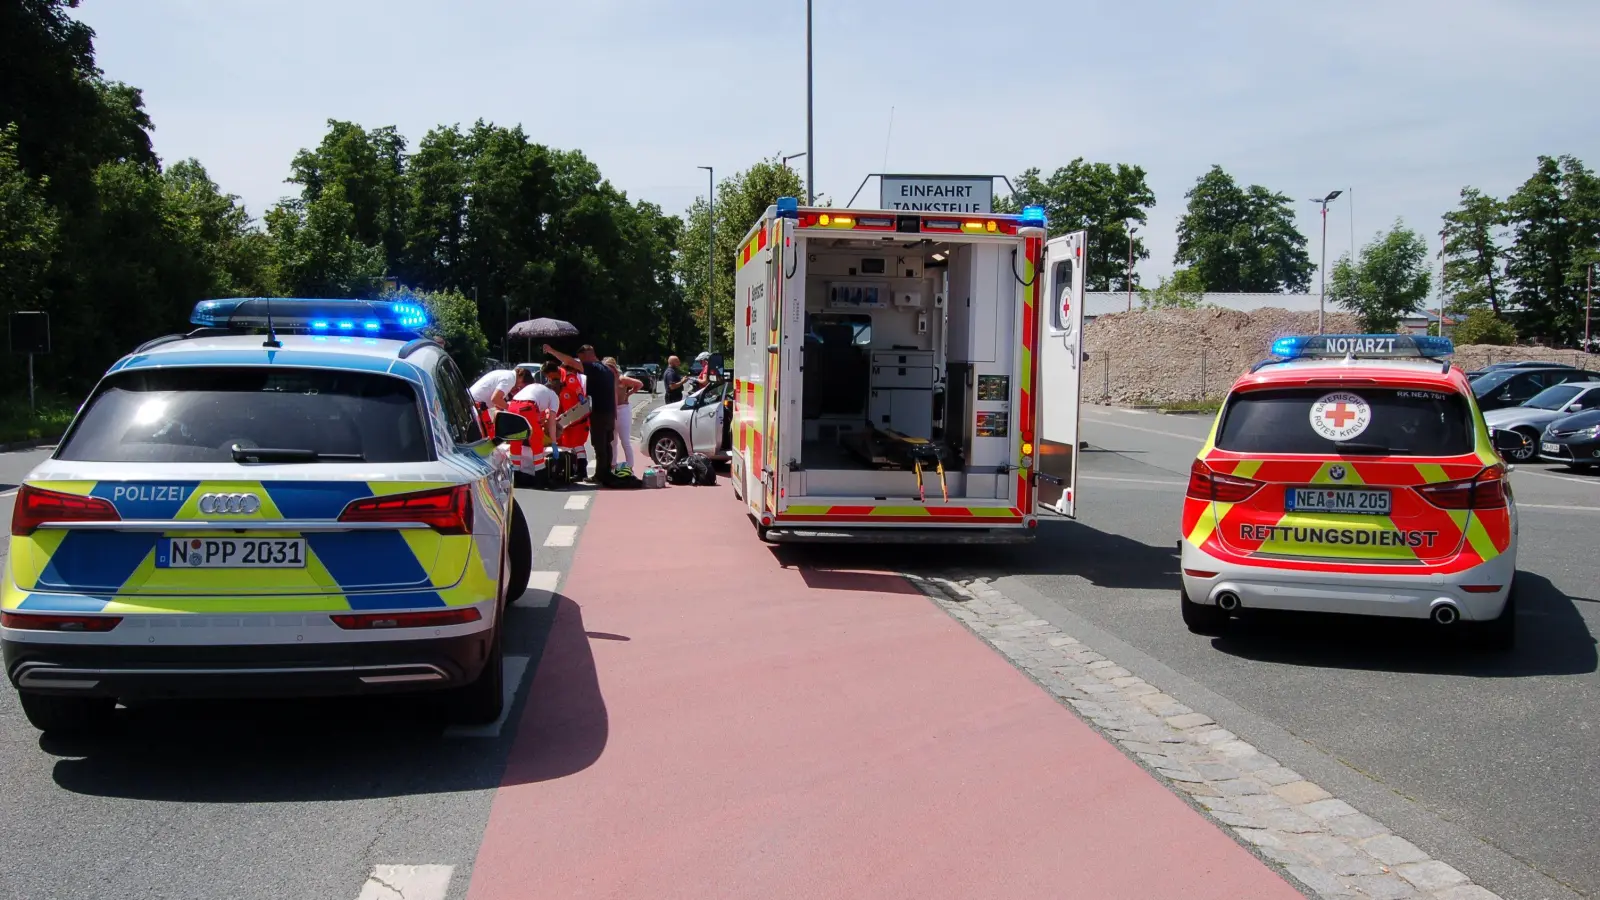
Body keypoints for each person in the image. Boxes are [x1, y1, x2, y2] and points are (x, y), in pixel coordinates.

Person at [545, 343, 617, 484]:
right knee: (607, 444)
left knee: (599, 445)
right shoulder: (607, 369)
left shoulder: (593, 367)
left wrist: (551, 350)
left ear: (587, 355)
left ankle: (600, 475)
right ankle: (606, 472)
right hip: (609, 412)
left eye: (581, 358)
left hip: (599, 412)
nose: (580, 362)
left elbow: (569, 362)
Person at [604, 357, 644, 471]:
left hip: (622, 409)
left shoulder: (621, 379)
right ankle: (613, 464)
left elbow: (639, 384)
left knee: (625, 440)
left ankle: (630, 465)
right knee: (613, 441)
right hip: (611, 410)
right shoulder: (606, 380)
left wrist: (629, 393)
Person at [468, 366, 516, 437]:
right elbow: (495, 399)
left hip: (478, 405)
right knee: (485, 435)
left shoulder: (505, 376)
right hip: (476, 406)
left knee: (489, 433)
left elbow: (498, 408)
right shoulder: (509, 380)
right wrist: (511, 409)